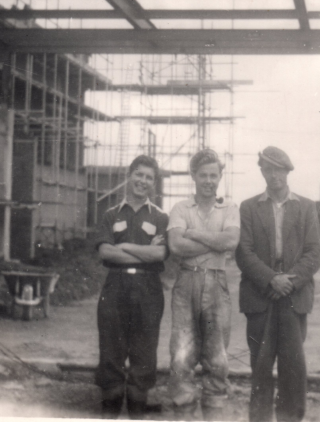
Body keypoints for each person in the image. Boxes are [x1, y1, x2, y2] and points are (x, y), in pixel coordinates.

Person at [235, 146, 320, 422]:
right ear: (262, 171)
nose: (273, 175)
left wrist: (289, 282)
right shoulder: (248, 207)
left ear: (288, 171)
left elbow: (314, 253)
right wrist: (271, 279)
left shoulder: (306, 207)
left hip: (293, 300)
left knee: (293, 370)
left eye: (279, 169)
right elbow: (244, 253)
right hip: (260, 299)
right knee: (260, 370)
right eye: (267, 169)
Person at [166, 149, 240, 420]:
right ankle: (183, 414)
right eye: (203, 175)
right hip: (186, 284)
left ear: (220, 177)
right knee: (182, 355)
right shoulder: (180, 209)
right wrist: (213, 239)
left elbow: (230, 242)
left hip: (216, 284)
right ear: (193, 176)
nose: (209, 180)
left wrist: (194, 234)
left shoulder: (230, 209)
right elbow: (175, 245)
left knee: (216, 357)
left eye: (214, 175)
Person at [93, 155, 168, 419]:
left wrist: (123, 246)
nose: (143, 181)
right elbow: (105, 252)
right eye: (139, 174)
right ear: (129, 175)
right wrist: (143, 252)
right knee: (111, 355)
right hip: (115, 287)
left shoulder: (161, 217)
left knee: (144, 356)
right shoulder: (111, 214)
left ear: (153, 183)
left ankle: (137, 412)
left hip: (148, 291)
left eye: (149, 177)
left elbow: (160, 255)